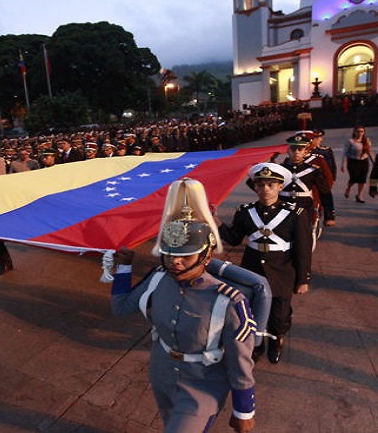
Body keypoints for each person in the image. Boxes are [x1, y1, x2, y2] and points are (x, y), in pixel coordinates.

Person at [111, 178, 257, 433]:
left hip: (203, 384)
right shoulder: (158, 279)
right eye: (170, 254)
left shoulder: (229, 300)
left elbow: (240, 361)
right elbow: (121, 308)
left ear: (206, 256)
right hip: (162, 373)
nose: (175, 262)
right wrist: (124, 268)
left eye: (185, 256)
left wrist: (244, 409)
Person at [218, 163, 312, 364]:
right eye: (260, 185)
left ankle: (276, 340)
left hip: (282, 270)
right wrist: (217, 223)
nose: (265, 189)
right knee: (252, 309)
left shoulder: (295, 213)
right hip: (252, 269)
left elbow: (303, 249)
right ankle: (256, 343)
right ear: (255, 187)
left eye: (271, 185)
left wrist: (303, 279)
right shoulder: (245, 211)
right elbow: (234, 239)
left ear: (280, 187)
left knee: (279, 314)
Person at [341, 126, 373, 203]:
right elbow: (345, 153)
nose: (360, 133)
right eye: (358, 131)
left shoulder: (367, 140)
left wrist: (374, 161)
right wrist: (343, 164)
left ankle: (359, 195)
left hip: (364, 161)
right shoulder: (350, 141)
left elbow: (369, 151)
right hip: (353, 162)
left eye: (362, 131)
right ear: (354, 132)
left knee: (362, 179)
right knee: (354, 178)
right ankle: (348, 188)